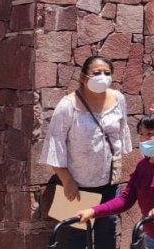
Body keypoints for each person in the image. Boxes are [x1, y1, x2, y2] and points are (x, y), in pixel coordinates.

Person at [41, 55, 132, 249]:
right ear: (83, 77)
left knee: (106, 236)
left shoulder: (119, 100)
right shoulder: (68, 106)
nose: (102, 77)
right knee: (73, 240)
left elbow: (122, 135)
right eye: (96, 73)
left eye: (107, 73)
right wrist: (67, 180)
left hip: (108, 185)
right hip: (77, 187)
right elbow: (55, 145)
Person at [79, 111, 154, 249]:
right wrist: (93, 211)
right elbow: (125, 200)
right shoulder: (142, 166)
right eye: (141, 134)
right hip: (152, 234)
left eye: (150, 134)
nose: (144, 139)